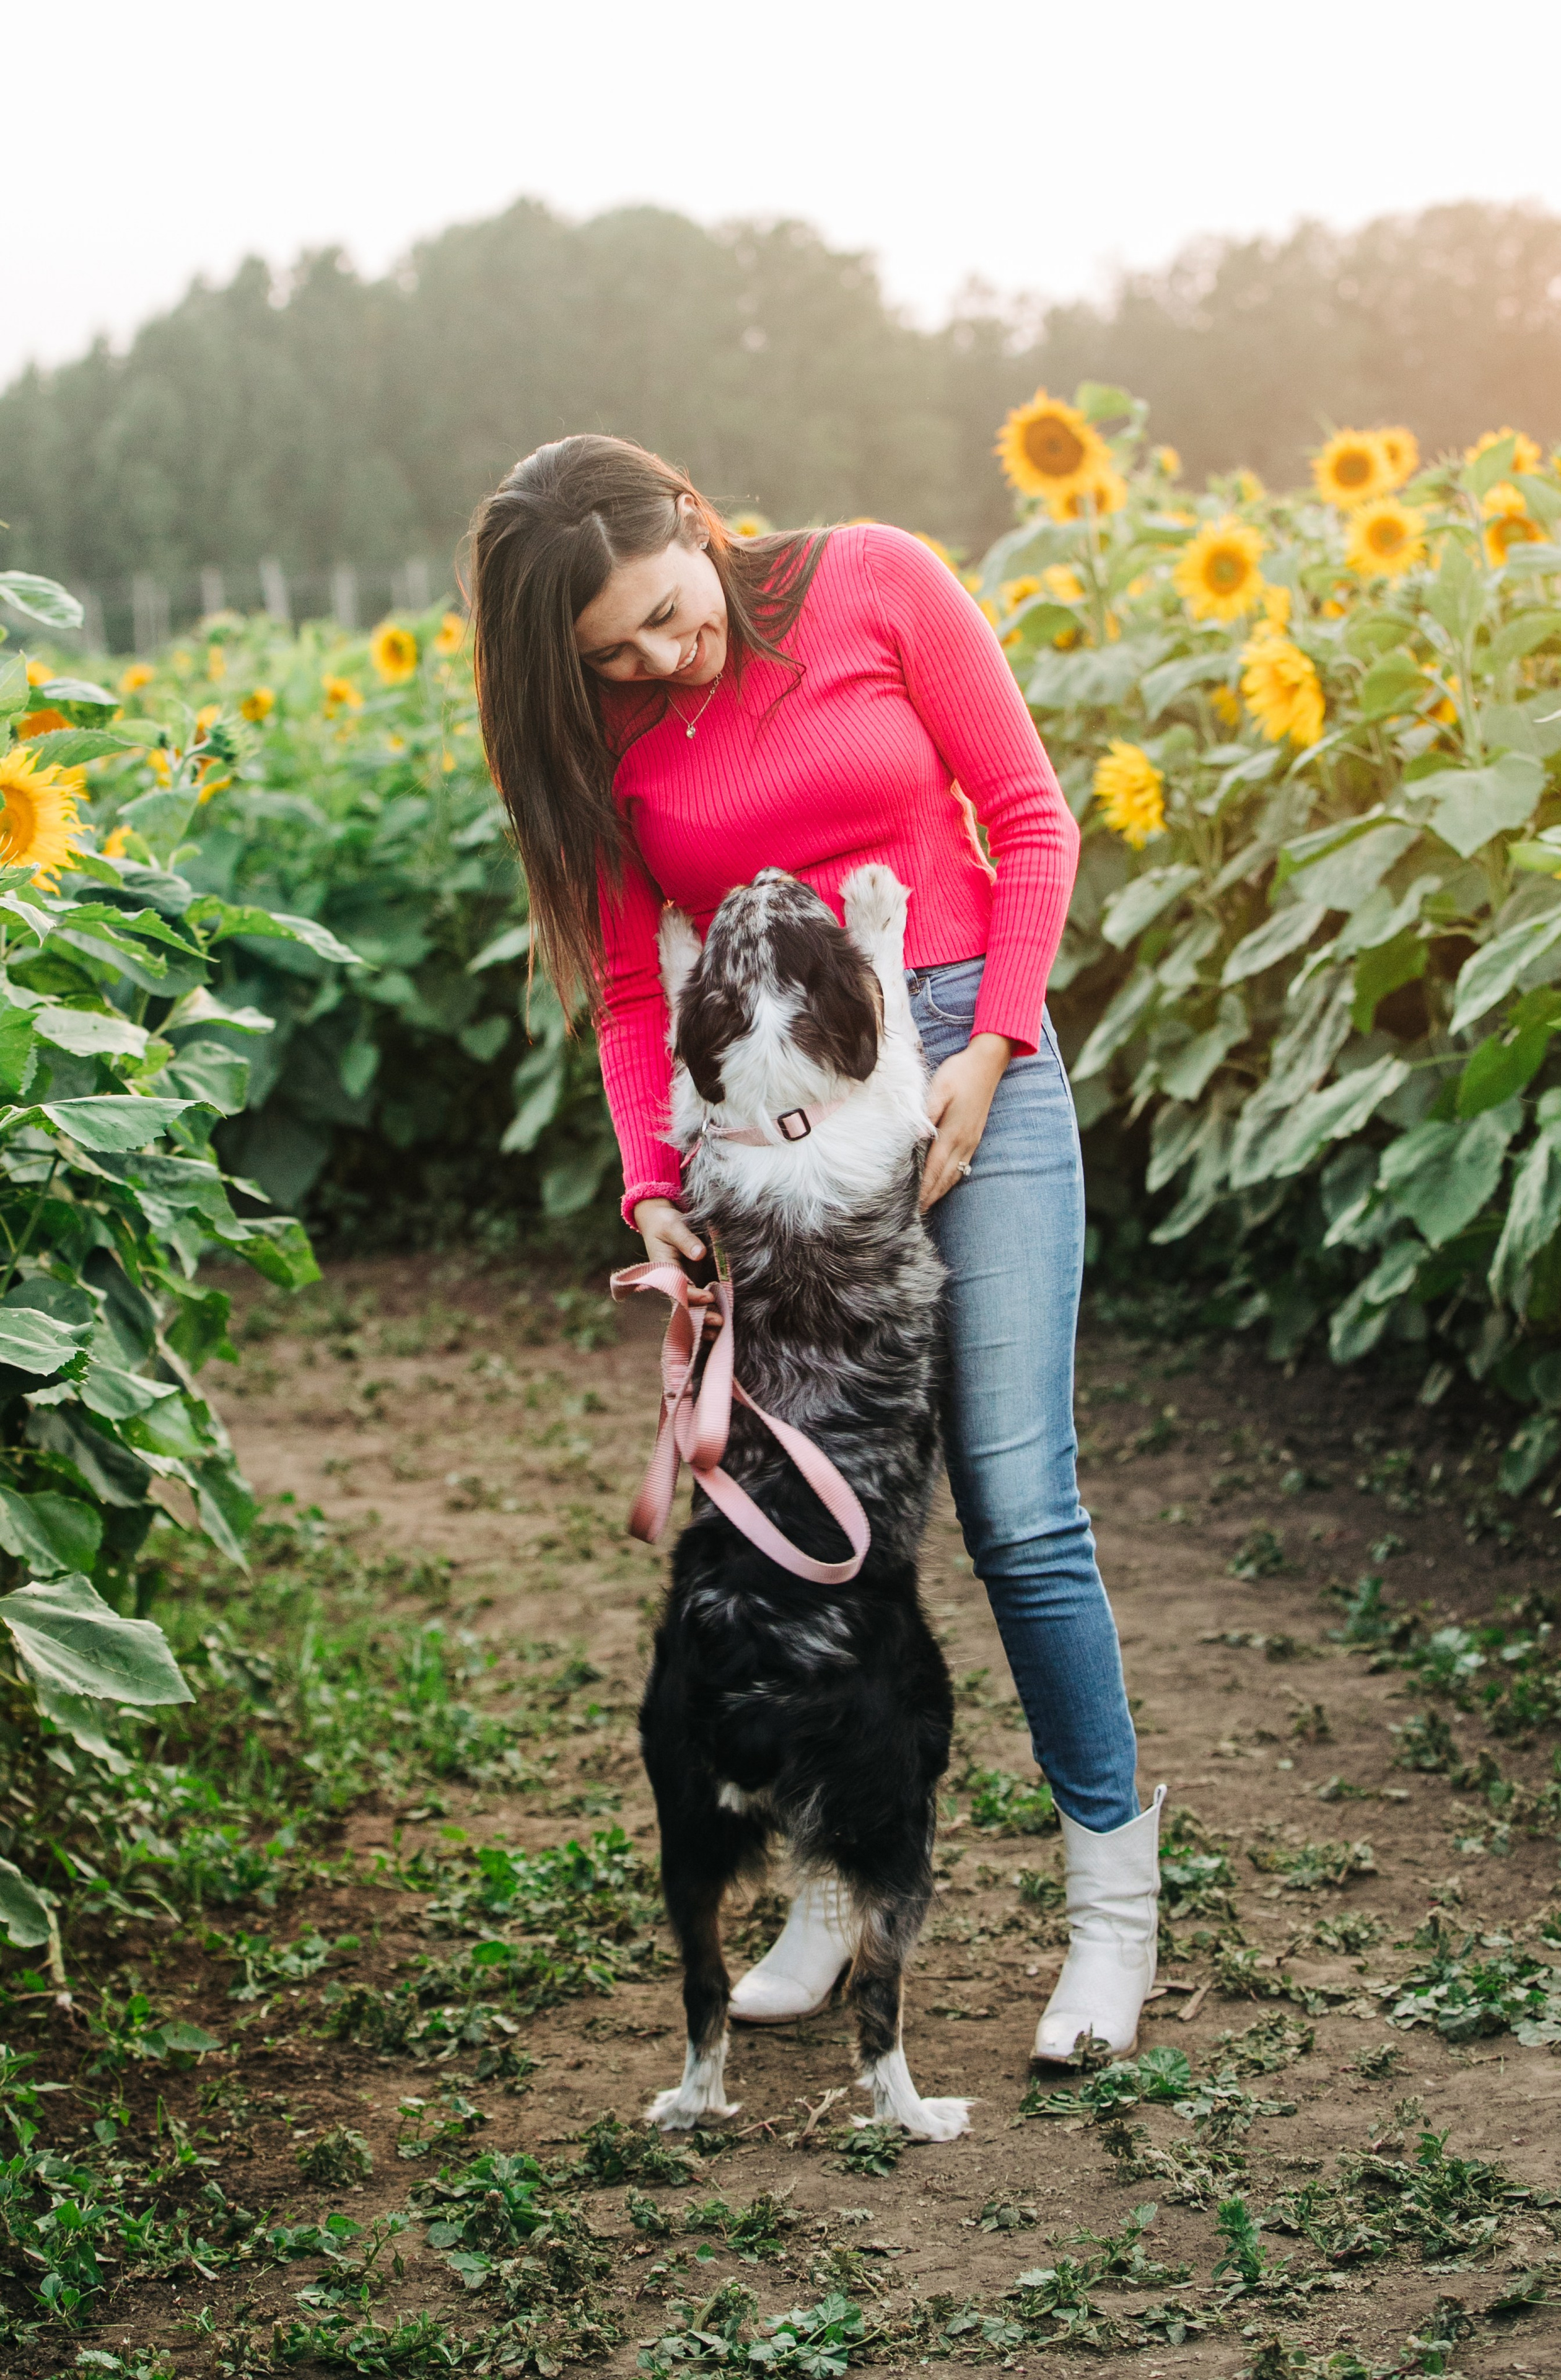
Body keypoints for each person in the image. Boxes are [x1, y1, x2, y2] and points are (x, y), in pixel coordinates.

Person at [468, 433, 1161, 2064]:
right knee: (807, 1525)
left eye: (658, 613)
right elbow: (639, 996)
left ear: (695, 525)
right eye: (608, 653)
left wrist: (991, 1052)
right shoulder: (607, 742)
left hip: (968, 1062)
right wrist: (653, 1185)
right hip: (774, 1142)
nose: (650, 659)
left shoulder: (876, 579)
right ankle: (836, 1888)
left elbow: (1032, 820)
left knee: (1015, 1497)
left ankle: (1112, 1917)